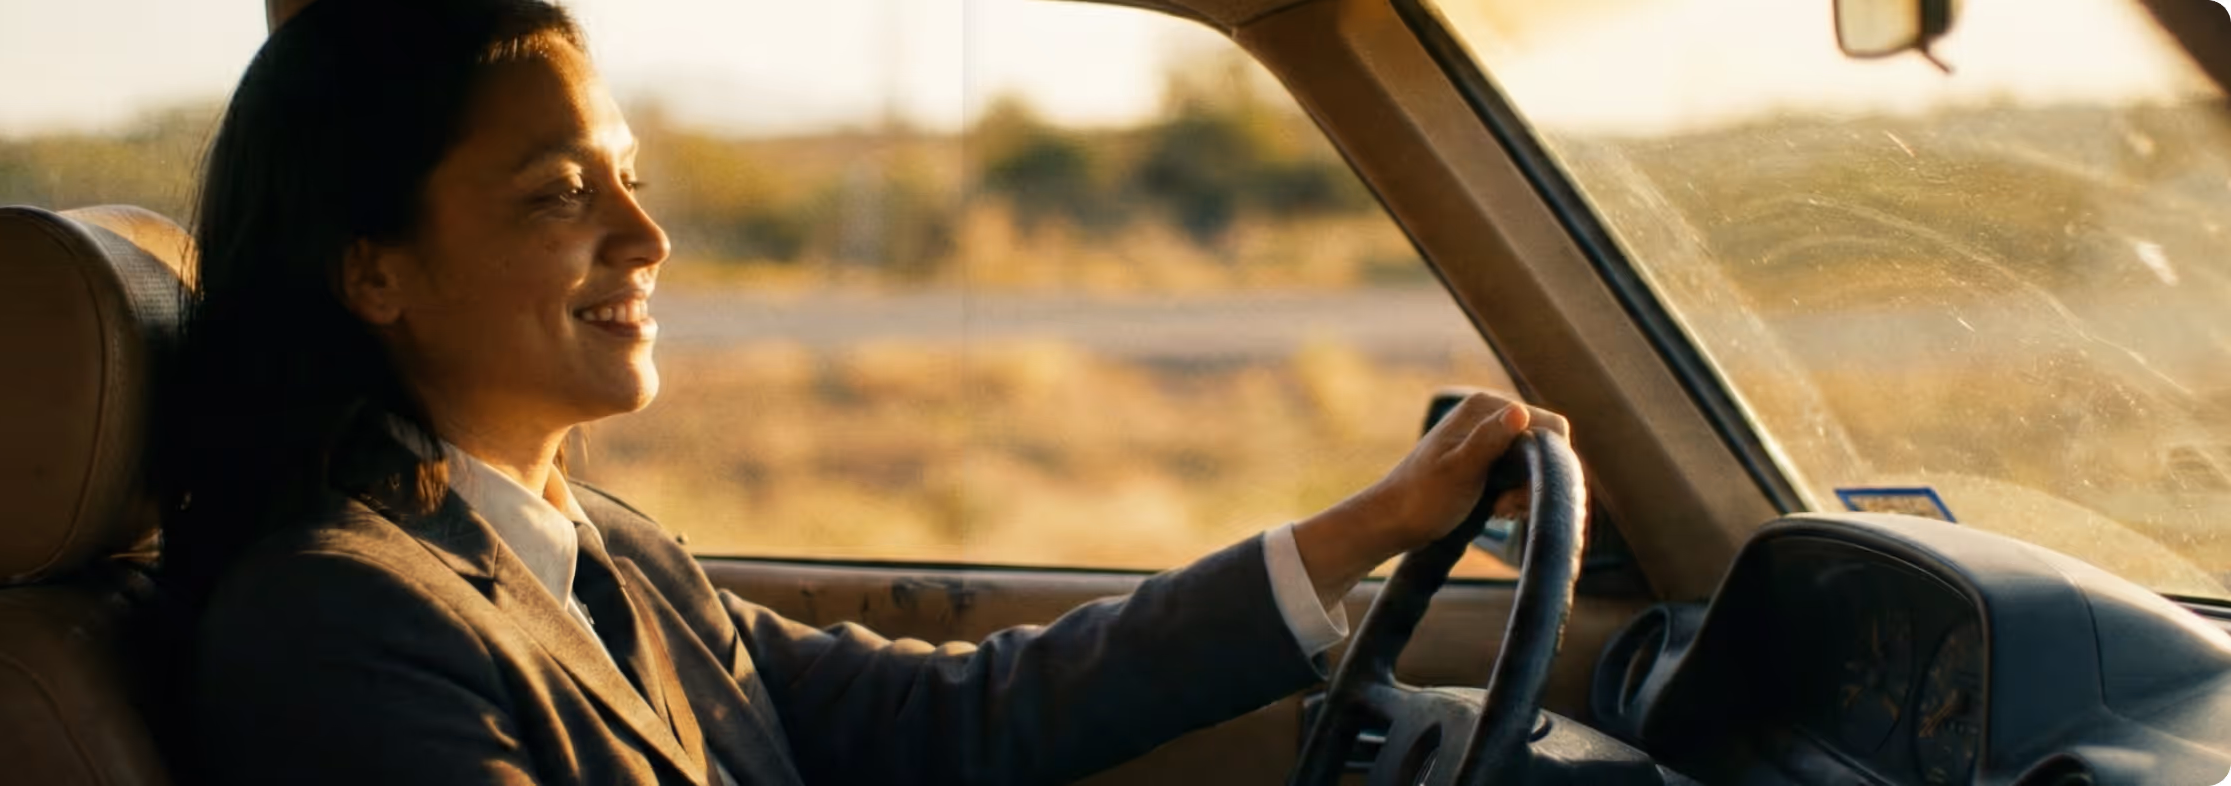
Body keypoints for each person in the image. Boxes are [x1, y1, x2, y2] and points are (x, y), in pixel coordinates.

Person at [157, 0, 1571, 783]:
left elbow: (962, 714)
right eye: (558, 197)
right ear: (374, 271)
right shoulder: (333, 616)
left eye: (633, 183)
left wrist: (1375, 523)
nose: (646, 241)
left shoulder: (609, 551)